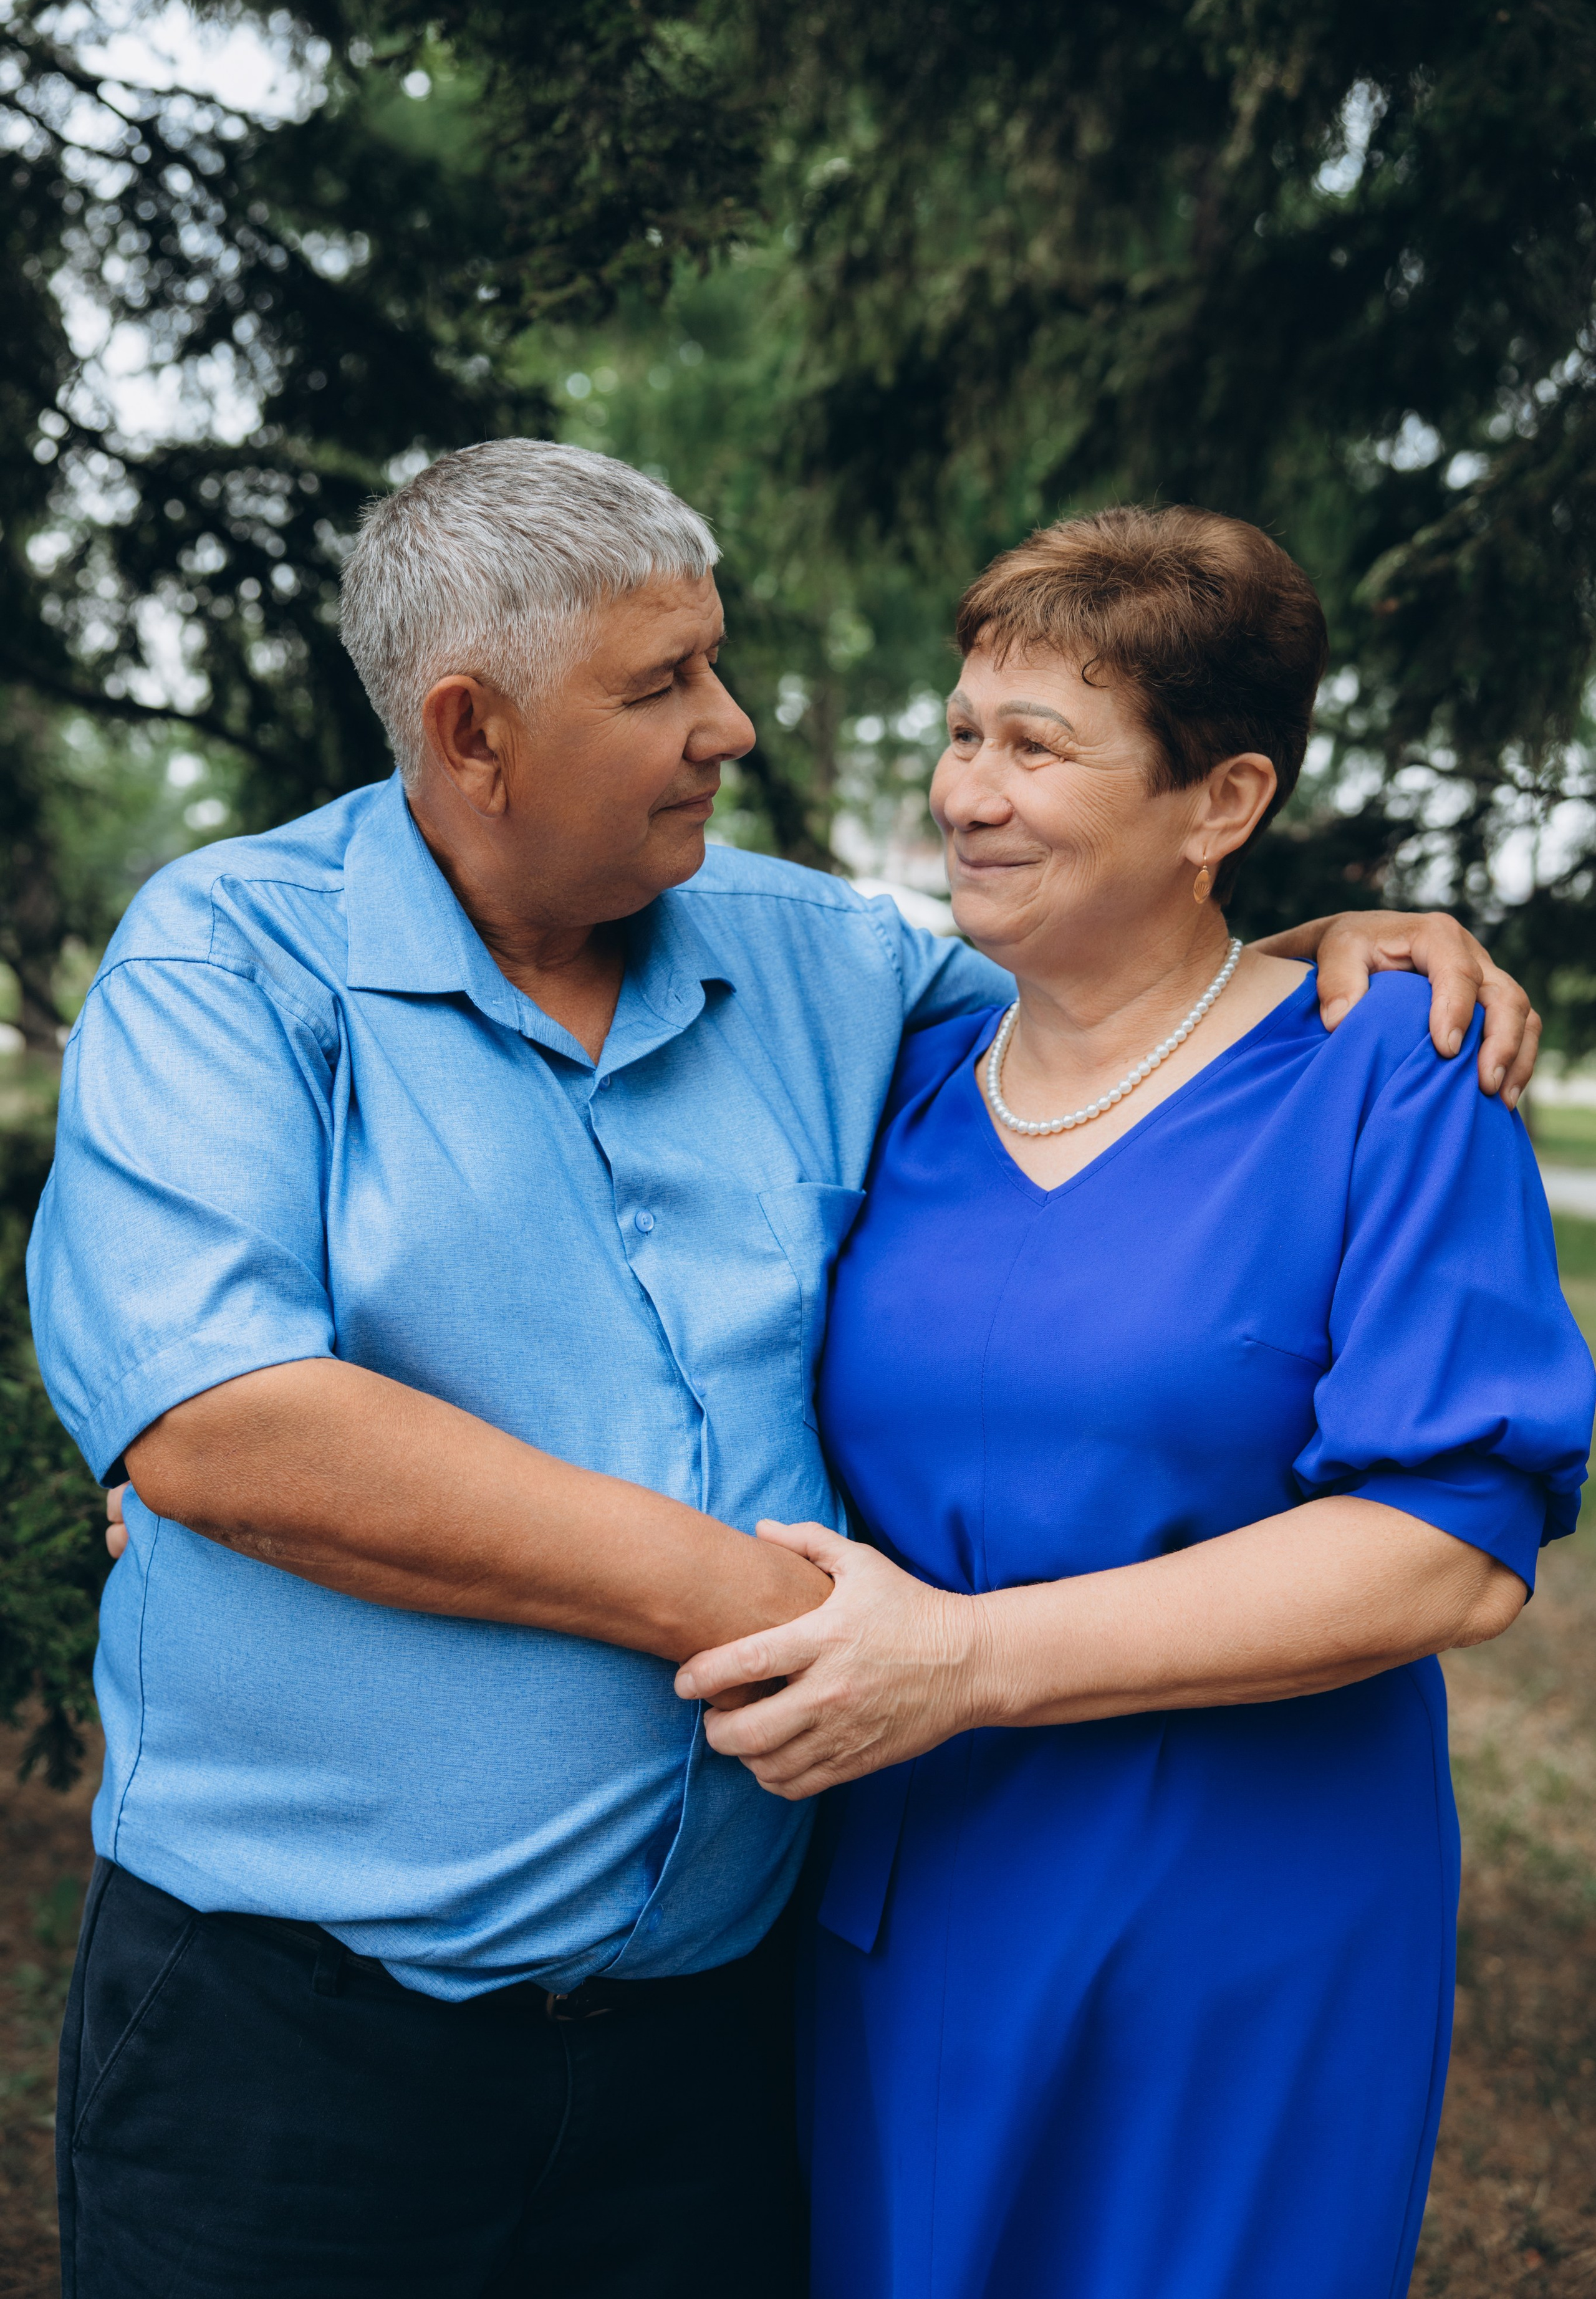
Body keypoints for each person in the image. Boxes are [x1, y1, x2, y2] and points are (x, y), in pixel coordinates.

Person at [27, 446, 1539, 2299]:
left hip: (713, 2052)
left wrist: (1327, 958)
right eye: (662, 685)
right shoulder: (232, 959)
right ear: (470, 727)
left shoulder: (841, 967)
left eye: (716, 664)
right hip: (306, 2047)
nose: (729, 726)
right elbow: (223, 1420)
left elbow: (1138, 1013)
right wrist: (784, 1616)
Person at [675, 506, 1595, 2299]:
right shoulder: (908, 1082)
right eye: (959, 735)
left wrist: (963, 1662)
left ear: (1221, 804)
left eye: (1037, 748)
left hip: (1239, 1916)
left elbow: (1446, 1555)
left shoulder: (1387, 1084)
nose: (966, 795)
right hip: (913, 1898)